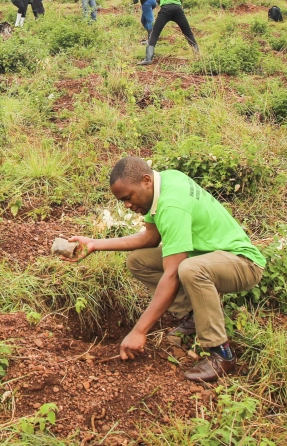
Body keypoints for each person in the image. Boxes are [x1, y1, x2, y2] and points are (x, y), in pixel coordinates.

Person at [62, 157, 266, 382]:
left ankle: (220, 352)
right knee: (138, 261)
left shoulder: (171, 205)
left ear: (146, 181)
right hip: (208, 255)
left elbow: (172, 274)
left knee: (190, 269)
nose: (127, 205)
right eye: (123, 201)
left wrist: (139, 331)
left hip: (242, 262)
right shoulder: (165, 181)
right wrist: (94, 244)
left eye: (128, 198)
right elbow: (150, 237)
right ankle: (195, 315)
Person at [139, 0, 198, 66]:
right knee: (188, 33)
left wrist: (162, 3)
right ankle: (197, 55)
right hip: (178, 9)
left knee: (155, 34)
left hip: (165, 9)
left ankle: (148, 59)